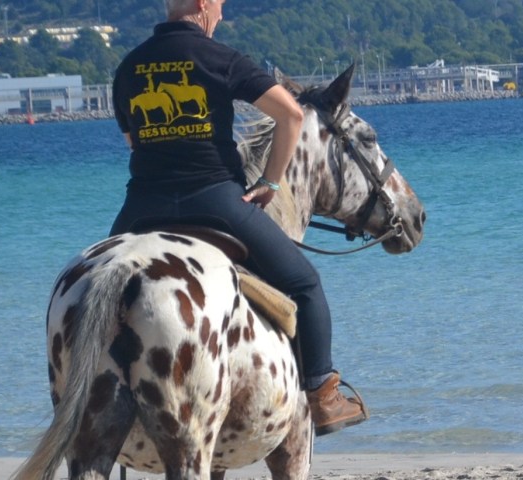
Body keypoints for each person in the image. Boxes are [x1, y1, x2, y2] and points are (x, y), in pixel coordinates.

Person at [110, 0, 368, 436]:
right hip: (215, 201)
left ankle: (100, 397)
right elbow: (289, 114)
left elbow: (134, 142)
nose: (223, 14)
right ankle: (323, 394)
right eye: (222, 5)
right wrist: (270, 184)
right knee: (306, 285)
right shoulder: (220, 58)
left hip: (142, 207)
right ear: (204, 4)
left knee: (103, 293)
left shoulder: (129, 67)